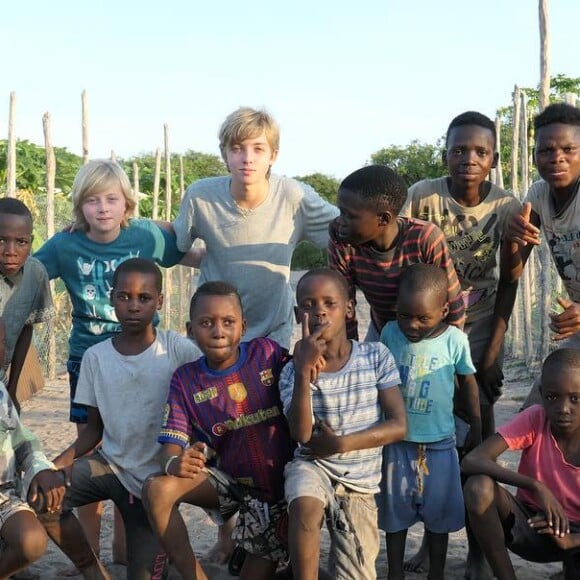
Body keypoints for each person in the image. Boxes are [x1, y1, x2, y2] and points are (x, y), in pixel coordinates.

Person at [171, 106, 338, 564]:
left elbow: (345, 232)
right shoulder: (201, 196)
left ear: (273, 155)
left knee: (272, 434)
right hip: (219, 334)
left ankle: (278, 530)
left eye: (258, 149)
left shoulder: (295, 197)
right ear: (224, 154)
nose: (247, 157)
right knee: (219, 430)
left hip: (273, 333)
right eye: (237, 148)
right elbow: (176, 245)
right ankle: (229, 534)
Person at [34, 159, 195, 563]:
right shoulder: (65, 244)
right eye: (91, 201)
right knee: (92, 450)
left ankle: (128, 549)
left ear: (127, 204)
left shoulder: (144, 236)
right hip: (88, 359)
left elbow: (187, 248)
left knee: (135, 451)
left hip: (144, 358)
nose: (102, 208)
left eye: (111, 199)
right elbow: (31, 273)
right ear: (78, 206)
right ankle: (87, 550)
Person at [36, 258, 201, 578]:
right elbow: (92, 431)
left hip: (156, 481)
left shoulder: (179, 350)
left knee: (143, 572)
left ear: (161, 301)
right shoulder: (96, 357)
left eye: (144, 298)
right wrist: (51, 467)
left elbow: (207, 396)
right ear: (111, 299)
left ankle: (157, 553)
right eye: (124, 296)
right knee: (41, 494)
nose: (134, 306)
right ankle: (92, 569)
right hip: (108, 466)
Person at [143, 281, 293, 580]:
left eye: (228, 322)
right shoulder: (186, 380)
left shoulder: (267, 354)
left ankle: (258, 550)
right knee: (156, 488)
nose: (218, 331)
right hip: (232, 485)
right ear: (190, 328)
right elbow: (170, 446)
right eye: (206, 323)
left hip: (283, 490)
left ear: (244, 326)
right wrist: (175, 462)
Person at [279, 268, 407, 580]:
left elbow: (398, 425)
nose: (319, 310)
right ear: (298, 314)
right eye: (308, 304)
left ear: (349, 307)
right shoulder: (290, 371)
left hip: (359, 484)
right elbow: (300, 433)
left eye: (329, 303)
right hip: (313, 466)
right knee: (304, 502)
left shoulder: (375, 356)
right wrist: (302, 370)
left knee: (356, 573)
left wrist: (342, 444)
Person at [402, 111, 520, 440]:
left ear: (493, 159)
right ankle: (437, 465)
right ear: (445, 156)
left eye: (480, 152)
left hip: (478, 315)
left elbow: (510, 280)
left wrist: (494, 352)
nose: (469, 159)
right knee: (430, 389)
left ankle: (481, 475)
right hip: (428, 317)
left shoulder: (505, 206)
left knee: (481, 396)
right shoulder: (423, 195)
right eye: (459, 150)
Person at [378, 264, 481, 580]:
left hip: (439, 444)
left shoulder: (455, 340)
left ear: (444, 310)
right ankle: (395, 572)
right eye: (405, 314)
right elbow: (379, 380)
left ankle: (437, 572)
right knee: (395, 515)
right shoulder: (389, 333)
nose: (412, 325)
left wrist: (476, 424)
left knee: (439, 516)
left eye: (423, 318)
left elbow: (468, 382)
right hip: (396, 443)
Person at [462, 348, 580, 580]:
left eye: (576, 398)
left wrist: (572, 541)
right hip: (533, 526)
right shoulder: (536, 418)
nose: (563, 409)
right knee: (478, 487)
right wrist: (536, 485)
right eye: (552, 397)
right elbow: (472, 460)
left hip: (577, 537)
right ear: (541, 393)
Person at [328, 164, 465, 342]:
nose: (340, 221)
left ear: (383, 219)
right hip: (382, 331)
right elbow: (343, 305)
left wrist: (451, 349)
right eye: (340, 212)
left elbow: (452, 300)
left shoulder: (425, 239)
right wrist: (350, 353)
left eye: (350, 216)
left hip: (426, 334)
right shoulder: (344, 244)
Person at [503, 102, 580, 406]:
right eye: (545, 150)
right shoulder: (538, 195)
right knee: (535, 412)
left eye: (568, 149)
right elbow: (512, 273)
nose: (556, 157)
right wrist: (510, 238)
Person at [0, 198, 53, 412]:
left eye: (21, 242)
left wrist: (12, 389)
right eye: (1, 240)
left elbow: (25, 328)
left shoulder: (35, 274)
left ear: (30, 242)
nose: (10, 251)